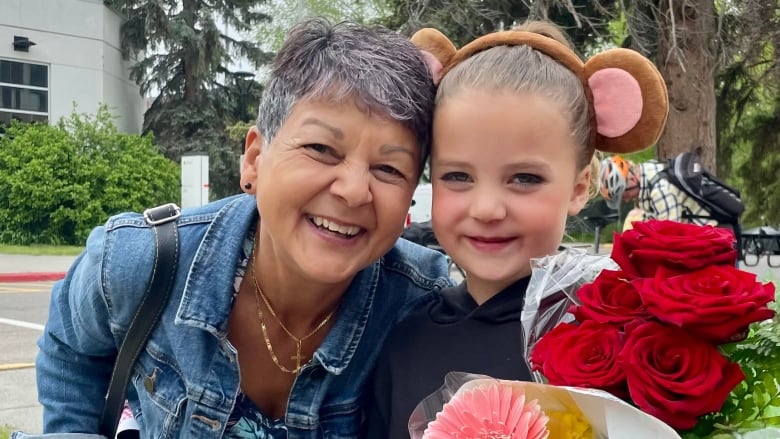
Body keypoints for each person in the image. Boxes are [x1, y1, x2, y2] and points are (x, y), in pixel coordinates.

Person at [14, 18, 453, 439]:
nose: (355, 190)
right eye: (321, 148)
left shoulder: (425, 305)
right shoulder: (142, 261)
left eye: (390, 168)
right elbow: (71, 347)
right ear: (254, 159)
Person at [364, 20, 669, 438]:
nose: (487, 208)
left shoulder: (629, 341)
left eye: (524, 178)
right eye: (457, 176)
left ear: (580, 186)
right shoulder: (402, 341)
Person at [599, 155, 715, 226]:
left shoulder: (659, 190)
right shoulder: (649, 171)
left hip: (713, 238)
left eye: (624, 195)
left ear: (632, 180)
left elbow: (670, 238)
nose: (626, 200)